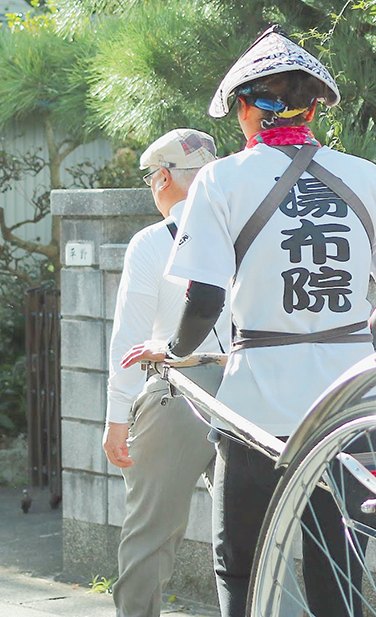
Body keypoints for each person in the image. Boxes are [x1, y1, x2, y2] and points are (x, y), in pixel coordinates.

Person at [123, 25, 376, 617]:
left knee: (242, 565)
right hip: (352, 406)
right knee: (338, 570)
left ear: (243, 110)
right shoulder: (368, 178)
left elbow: (204, 301)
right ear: (313, 107)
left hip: (255, 404)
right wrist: (356, 350)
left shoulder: (220, 179)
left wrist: (174, 350)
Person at [103, 128, 228, 617]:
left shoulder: (153, 242)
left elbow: (130, 339)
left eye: (152, 177)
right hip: (247, 389)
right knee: (250, 536)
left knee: (151, 534)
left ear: (164, 179)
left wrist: (117, 415)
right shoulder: (246, 232)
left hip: (179, 388)